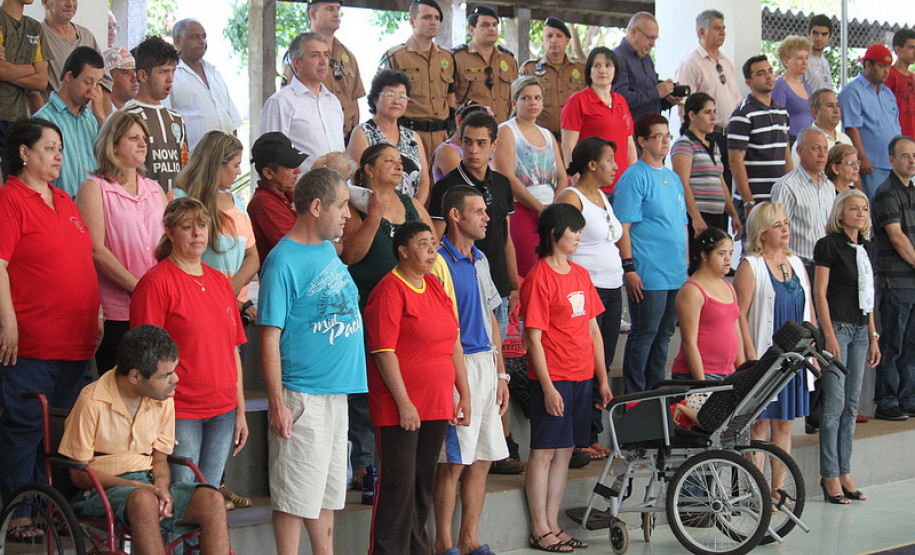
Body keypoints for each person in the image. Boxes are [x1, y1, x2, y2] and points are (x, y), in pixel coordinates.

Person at [258, 167, 368, 555]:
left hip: (335, 393)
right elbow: (269, 335)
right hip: (301, 396)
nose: (346, 215)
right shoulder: (282, 261)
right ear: (316, 206)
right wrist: (277, 403)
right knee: (293, 497)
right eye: (341, 206)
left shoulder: (325, 248)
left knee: (326, 495)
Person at [0, 117, 99, 541]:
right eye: (49, 147)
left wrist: (94, 314)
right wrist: (7, 322)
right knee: (25, 429)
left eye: (61, 148)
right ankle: (19, 516)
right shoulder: (10, 199)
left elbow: (82, 261)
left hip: (75, 343)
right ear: (24, 153)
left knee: (61, 435)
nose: (59, 155)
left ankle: (48, 511)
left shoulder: (66, 199)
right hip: (32, 343)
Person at [57, 325, 232, 553]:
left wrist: (161, 487)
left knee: (212, 500)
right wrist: (136, 486)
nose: (175, 379)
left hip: (148, 483)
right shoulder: (92, 401)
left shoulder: (162, 398)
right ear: (135, 376)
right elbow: (79, 474)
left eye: (174, 370)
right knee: (142, 500)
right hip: (100, 490)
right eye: (166, 375)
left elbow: (160, 460)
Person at [365, 221, 469, 555]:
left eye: (433, 243)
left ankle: (416, 548)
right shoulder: (389, 290)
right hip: (400, 405)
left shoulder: (436, 286)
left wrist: (462, 391)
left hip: (437, 401)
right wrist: (404, 402)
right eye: (423, 244)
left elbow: (453, 341)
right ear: (403, 251)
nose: (432, 249)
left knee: (423, 482)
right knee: (398, 483)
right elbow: (384, 351)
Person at [130, 197, 248, 488]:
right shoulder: (156, 282)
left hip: (222, 409)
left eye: (203, 225)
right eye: (187, 226)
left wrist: (240, 410)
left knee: (207, 501)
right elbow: (144, 356)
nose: (197, 233)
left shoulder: (221, 282)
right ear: (170, 232)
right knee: (182, 503)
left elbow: (234, 349)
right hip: (179, 410)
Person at [521, 202, 612, 553]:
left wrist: (602, 379)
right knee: (544, 452)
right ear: (554, 233)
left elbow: (594, 331)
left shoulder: (580, 274)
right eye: (572, 230)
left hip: (581, 376)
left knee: (565, 452)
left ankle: (554, 523)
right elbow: (533, 338)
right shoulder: (539, 277)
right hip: (554, 377)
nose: (577, 236)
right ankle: (539, 527)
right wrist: (546, 387)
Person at [341, 144, 434, 486]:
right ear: (366, 168)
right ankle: (364, 461)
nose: (398, 166)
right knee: (368, 384)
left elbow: (431, 242)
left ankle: (400, 456)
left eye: (400, 162)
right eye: (388, 161)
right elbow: (350, 254)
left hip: (411, 307)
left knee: (407, 377)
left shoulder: (410, 204)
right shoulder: (354, 204)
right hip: (369, 305)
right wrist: (375, 217)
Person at [430, 186, 509, 555]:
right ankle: (443, 542)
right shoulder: (439, 261)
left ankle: (469, 538)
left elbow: (491, 314)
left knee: (483, 457)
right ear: (456, 216)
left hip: (485, 364)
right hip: (456, 364)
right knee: (454, 462)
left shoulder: (480, 259)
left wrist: (502, 372)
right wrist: (452, 380)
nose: (486, 217)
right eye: (478, 211)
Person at [75, 110, 166, 373]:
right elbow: (96, 251)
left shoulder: (154, 188)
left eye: (144, 139)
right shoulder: (95, 188)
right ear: (113, 145)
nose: (142, 144)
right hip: (118, 312)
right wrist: (140, 288)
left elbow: (169, 245)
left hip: (158, 306)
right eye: (133, 138)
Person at [557, 137, 630, 459]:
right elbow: (560, 244)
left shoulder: (601, 196)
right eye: (610, 159)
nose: (615, 166)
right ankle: (578, 439)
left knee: (602, 365)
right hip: (586, 291)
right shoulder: (571, 197)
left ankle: (591, 433)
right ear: (591, 164)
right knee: (585, 366)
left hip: (612, 290)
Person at [734, 202, 814, 464]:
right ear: (762, 231)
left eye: (786, 223)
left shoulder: (797, 263)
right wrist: (751, 358)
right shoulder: (751, 265)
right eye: (777, 225)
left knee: (784, 425)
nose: (784, 229)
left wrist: (811, 355)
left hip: (793, 359)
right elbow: (740, 317)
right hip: (765, 357)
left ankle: (778, 490)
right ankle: (758, 493)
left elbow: (808, 311)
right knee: (759, 425)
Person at [813, 189, 880, 503]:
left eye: (864, 208)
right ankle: (829, 475)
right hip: (837, 328)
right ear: (840, 214)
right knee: (834, 406)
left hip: (860, 330)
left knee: (851, 407)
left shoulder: (866, 247)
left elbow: (868, 297)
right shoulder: (828, 246)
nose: (860, 213)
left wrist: (873, 334)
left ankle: (845, 470)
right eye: (853, 208)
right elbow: (820, 293)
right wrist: (827, 334)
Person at [614, 113, 688, 393]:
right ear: (642, 140)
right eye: (659, 136)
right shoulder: (634, 177)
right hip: (648, 272)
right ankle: (634, 399)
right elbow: (623, 227)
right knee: (645, 333)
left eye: (668, 136)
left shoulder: (674, 179)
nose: (665, 141)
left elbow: (682, 226)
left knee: (665, 335)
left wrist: (685, 267)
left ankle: (656, 396)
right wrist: (629, 267)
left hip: (675, 272)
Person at [430, 111, 519, 340]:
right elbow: (436, 243)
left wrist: (514, 284)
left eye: (481, 143)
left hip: (498, 286)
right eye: (467, 142)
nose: (473, 150)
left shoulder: (502, 184)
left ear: (494, 144)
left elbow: (506, 237)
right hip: (460, 288)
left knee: (495, 355)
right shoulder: (446, 187)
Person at [172, 132, 259, 337]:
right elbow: (180, 257)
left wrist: (234, 290)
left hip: (236, 309)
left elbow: (253, 256)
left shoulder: (237, 203)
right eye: (235, 165)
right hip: (197, 308)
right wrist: (226, 296)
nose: (239, 172)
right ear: (216, 164)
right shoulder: (180, 199)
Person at [494, 75, 567, 278]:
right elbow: (507, 176)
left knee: (553, 270)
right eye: (526, 98)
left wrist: (555, 207)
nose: (533, 102)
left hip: (550, 210)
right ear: (514, 102)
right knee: (529, 271)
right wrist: (538, 207)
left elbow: (562, 176)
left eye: (537, 97)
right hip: (521, 209)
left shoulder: (547, 134)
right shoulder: (507, 131)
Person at [871, 135, 915, 421]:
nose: (911, 161)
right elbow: (896, 237)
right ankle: (886, 401)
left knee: (911, 343)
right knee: (893, 343)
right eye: (905, 156)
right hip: (895, 280)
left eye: (914, 156)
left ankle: (908, 398)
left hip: (910, 280)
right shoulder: (887, 191)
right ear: (891, 160)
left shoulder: (913, 190)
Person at [379, 0, 455, 165]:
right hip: (409, 136)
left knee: (443, 188)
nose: (434, 21)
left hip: (441, 137)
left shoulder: (447, 57)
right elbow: (381, 100)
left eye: (437, 17)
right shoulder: (396, 56)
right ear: (412, 21)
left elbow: (450, 96)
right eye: (427, 17)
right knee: (411, 186)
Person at [672, 92, 742, 267]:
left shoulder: (714, 145)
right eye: (707, 112)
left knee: (716, 266)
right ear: (692, 115)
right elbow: (682, 183)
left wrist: (733, 213)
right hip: (698, 215)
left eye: (714, 112)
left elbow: (720, 181)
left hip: (717, 215)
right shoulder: (684, 144)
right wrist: (696, 218)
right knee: (700, 267)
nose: (713, 117)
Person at [675, 9, 742, 186]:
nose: (723, 33)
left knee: (725, 190)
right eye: (717, 28)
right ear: (702, 32)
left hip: (729, 135)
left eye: (724, 28)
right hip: (706, 138)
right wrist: (694, 139)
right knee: (706, 189)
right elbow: (684, 107)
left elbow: (736, 100)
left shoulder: (726, 62)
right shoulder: (691, 62)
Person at [262, 31, 343, 173]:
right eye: (315, 55)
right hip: (301, 191)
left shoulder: (333, 102)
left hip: (337, 190)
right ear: (297, 62)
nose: (324, 62)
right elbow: (270, 156)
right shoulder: (281, 102)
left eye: (326, 54)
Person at [560, 46, 635, 195]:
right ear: (589, 70)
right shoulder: (577, 101)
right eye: (597, 66)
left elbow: (629, 144)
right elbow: (568, 146)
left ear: (615, 70)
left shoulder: (621, 101)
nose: (603, 71)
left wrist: (633, 178)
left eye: (608, 65)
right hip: (592, 186)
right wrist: (578, 181)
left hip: (622, 185)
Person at [671, 227, 744, 381]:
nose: (728, 259)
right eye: (721, 253)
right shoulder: (692, 290)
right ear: (704, 255)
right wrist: (701, 384)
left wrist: (742, 371)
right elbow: (689, 342)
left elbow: (736, 331)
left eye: (730, 253)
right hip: (701, 374)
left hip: (728, 372)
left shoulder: (729, 287)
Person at [347, 69, 430, 203]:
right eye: (390, 95)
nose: (397, 101)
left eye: (402, 96)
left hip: (411, 214)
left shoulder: (413, 136)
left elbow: (424, 181)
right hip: (375, 211)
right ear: (375, 98)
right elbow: (358, 179)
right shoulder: (362, 132)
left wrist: (414, 209)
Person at [729, 55, 792, 225]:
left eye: (770, 71)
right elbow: (735, 162)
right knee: (754, 250)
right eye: (761, 73)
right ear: (749, 82)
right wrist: (748, 202)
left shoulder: (782, 113)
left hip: (778, 202)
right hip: (754, 202)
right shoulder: (742, 115)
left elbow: (786, 156)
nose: (769, 76)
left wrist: (791, 192)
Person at [122, 35, 188, 193]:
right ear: (143, 75)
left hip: (174, 211)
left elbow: (185, 167)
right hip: (140, 208)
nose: (170, 79)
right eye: (163, 72)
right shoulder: (126, 117)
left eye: (173, 71)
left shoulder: (176, 120)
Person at [34, 45, 103, 196]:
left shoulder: (92, 120)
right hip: (58, 210)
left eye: (98, 84)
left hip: (92, 209)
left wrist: (100, 116)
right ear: (69, 77)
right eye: (88, 82)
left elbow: (110, 159)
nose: (93, 90)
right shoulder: (42, 120)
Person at [167, 19, 242, 152]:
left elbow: (232, 120)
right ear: (177, 41)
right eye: (195, 37)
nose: (202, 42)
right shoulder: (172, 75)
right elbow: (167, 124)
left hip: (224, 161)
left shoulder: (214, 73)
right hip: (192, 164)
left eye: (204, 37)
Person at [839, 44, 901, 199]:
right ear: (868, 64)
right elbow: (852, 128)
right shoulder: (852, 91)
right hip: (871, 165)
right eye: (881, 66)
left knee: (894, 211)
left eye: (888, 66)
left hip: (894, 163)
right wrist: (862, 158)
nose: (886, 71)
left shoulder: (887, 93)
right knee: (876, 208)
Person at [771, 126, 836, 274]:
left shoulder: (829, 186)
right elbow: (777, 232)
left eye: (825, 149)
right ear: (800, 151)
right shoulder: (786, 186)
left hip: (827, 266)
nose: (822, 154)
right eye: (816, 148)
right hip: (798, 266)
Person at [0, 0, 50, 180]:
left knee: (13, 182)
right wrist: (29, 68)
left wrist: (8, 70)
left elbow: (41, 81)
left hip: (19, 120)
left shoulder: (34, 27)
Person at [247, 131, 307, 266]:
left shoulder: (286, 194)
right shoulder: (263, 203)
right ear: (268, 173)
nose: (298, 170)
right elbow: (298, 249)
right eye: (289, 167)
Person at [451, 4, 518, 124]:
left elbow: (515, 99)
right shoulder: (458, 58)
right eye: (485, 25)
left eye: (495, 25)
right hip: (470, 132)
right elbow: (449, 97)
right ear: (471, 30)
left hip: (502, 131)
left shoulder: (508, 60)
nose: (492, 29)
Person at [520, 17, 585, 139]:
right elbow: (516, 105)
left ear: (567, 40)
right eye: (549, 36)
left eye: (559, 36)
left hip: (575, 140)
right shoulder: (529, 69)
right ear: (542, 40)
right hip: (540, 139)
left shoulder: (582, 69)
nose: (554, 40)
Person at [309, 0, 365, 141]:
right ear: (313, 14)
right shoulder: (299, 54)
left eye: (338, 9)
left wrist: (353, 138)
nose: (336, 14)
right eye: (329, 9)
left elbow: (354, 100)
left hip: (345, 138)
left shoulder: (348, 55)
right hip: (314, 138)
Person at [38, 0, 110, 105]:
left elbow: (105, 84)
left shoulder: (87, 36)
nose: (70, 4)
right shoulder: (38, 36)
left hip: (89, 119)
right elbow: (33, 92)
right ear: (45, 2)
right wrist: (45, 120)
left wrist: (103, 120)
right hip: (57, 118)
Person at [613, 11, 682, 120]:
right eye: (650, 37)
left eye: (655, 39)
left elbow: (650, 101)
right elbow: (621, 99)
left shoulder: (647, 59)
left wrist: (667, 99)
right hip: (630, 132)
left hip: (651, 130)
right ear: (633, 31)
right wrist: (656, 92)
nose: (653, 44)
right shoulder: (617, 58)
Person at [432, 99, 491, 183]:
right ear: (459, 121)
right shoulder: (446, 151)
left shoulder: (485, 148)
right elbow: (464, 183)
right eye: (473, 124)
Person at [793, 88, 852, 168]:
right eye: (830, 106)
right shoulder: (804, 142)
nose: (836, 110)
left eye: (837, 105)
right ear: (815, 112)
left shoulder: (845, 139)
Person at [773, 36, 814, 143]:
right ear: (786, 62)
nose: (804, 62)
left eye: (807, 58)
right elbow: (777, 119)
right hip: (789, 141)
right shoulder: (780, 85)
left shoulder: (806, 86)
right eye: (800, 58)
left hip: (806, 142)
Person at [886, 29, 915, 140]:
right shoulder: (889, 75)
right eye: (911, 47)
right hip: (897, 137)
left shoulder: (913, 77)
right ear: (898, 49)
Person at [803, 14, 835, 91]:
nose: (819, 38)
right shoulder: (802, 60)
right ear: (808, 33)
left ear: (830, 36)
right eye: (815, 33)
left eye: (824, 34)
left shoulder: (825, 62)